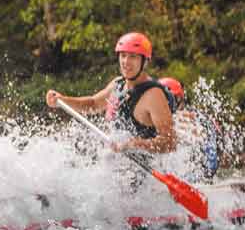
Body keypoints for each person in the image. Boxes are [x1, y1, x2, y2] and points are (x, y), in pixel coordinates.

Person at [45, 32, 177, 154]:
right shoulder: (118, 84)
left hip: (145, 171)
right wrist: (63, 100)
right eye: (123, 55)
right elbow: (93, 104)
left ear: (145, 62)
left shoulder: (153, 95)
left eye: (133, 57)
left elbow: (170, 142)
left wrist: (136, 144)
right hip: (118, 167)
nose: (126, 62)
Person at [159, 77, 219, 182]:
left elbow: (208, 148)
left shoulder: (194, 117)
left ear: (177, 99)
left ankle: (199, 179)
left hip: (207, 163)